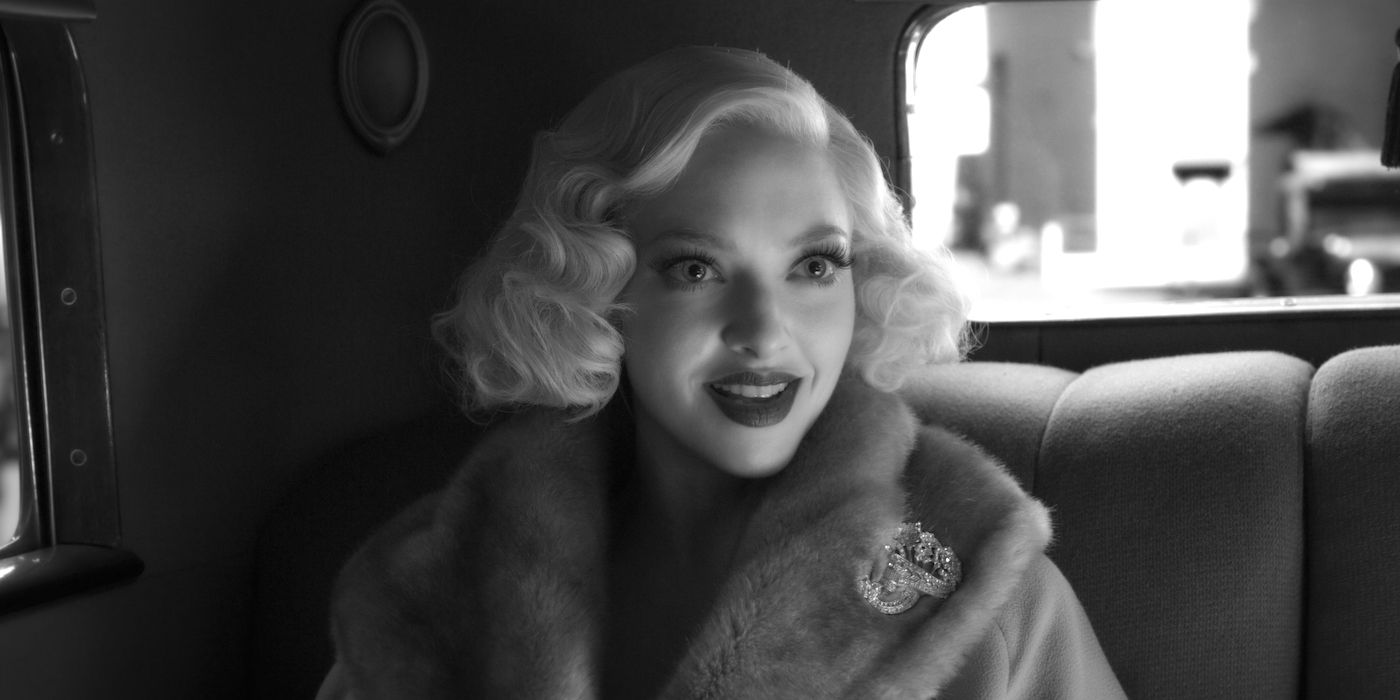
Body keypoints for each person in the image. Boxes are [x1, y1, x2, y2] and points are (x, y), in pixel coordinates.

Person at [316, 46, 1124, 698]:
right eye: (695, 269)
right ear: (597, 291)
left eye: (813, 265)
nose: (764, 332)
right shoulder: (434, 595)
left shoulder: (984, 600)